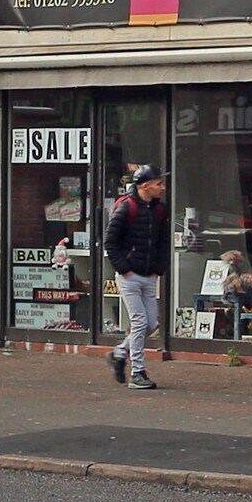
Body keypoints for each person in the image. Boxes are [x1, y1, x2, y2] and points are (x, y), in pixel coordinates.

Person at [104, 166, 167, 389]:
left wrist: (158, 269)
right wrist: (124, 269)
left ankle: (119, 353)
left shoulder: (159, 210)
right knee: (140, 322)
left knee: (151, 324)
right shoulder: (125, 207)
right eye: (158, 184)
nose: (163, 187)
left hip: (149, 275)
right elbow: (110, 241)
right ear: (144, 186)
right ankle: (137, 373)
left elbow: (162, 241)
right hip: (130, 276)